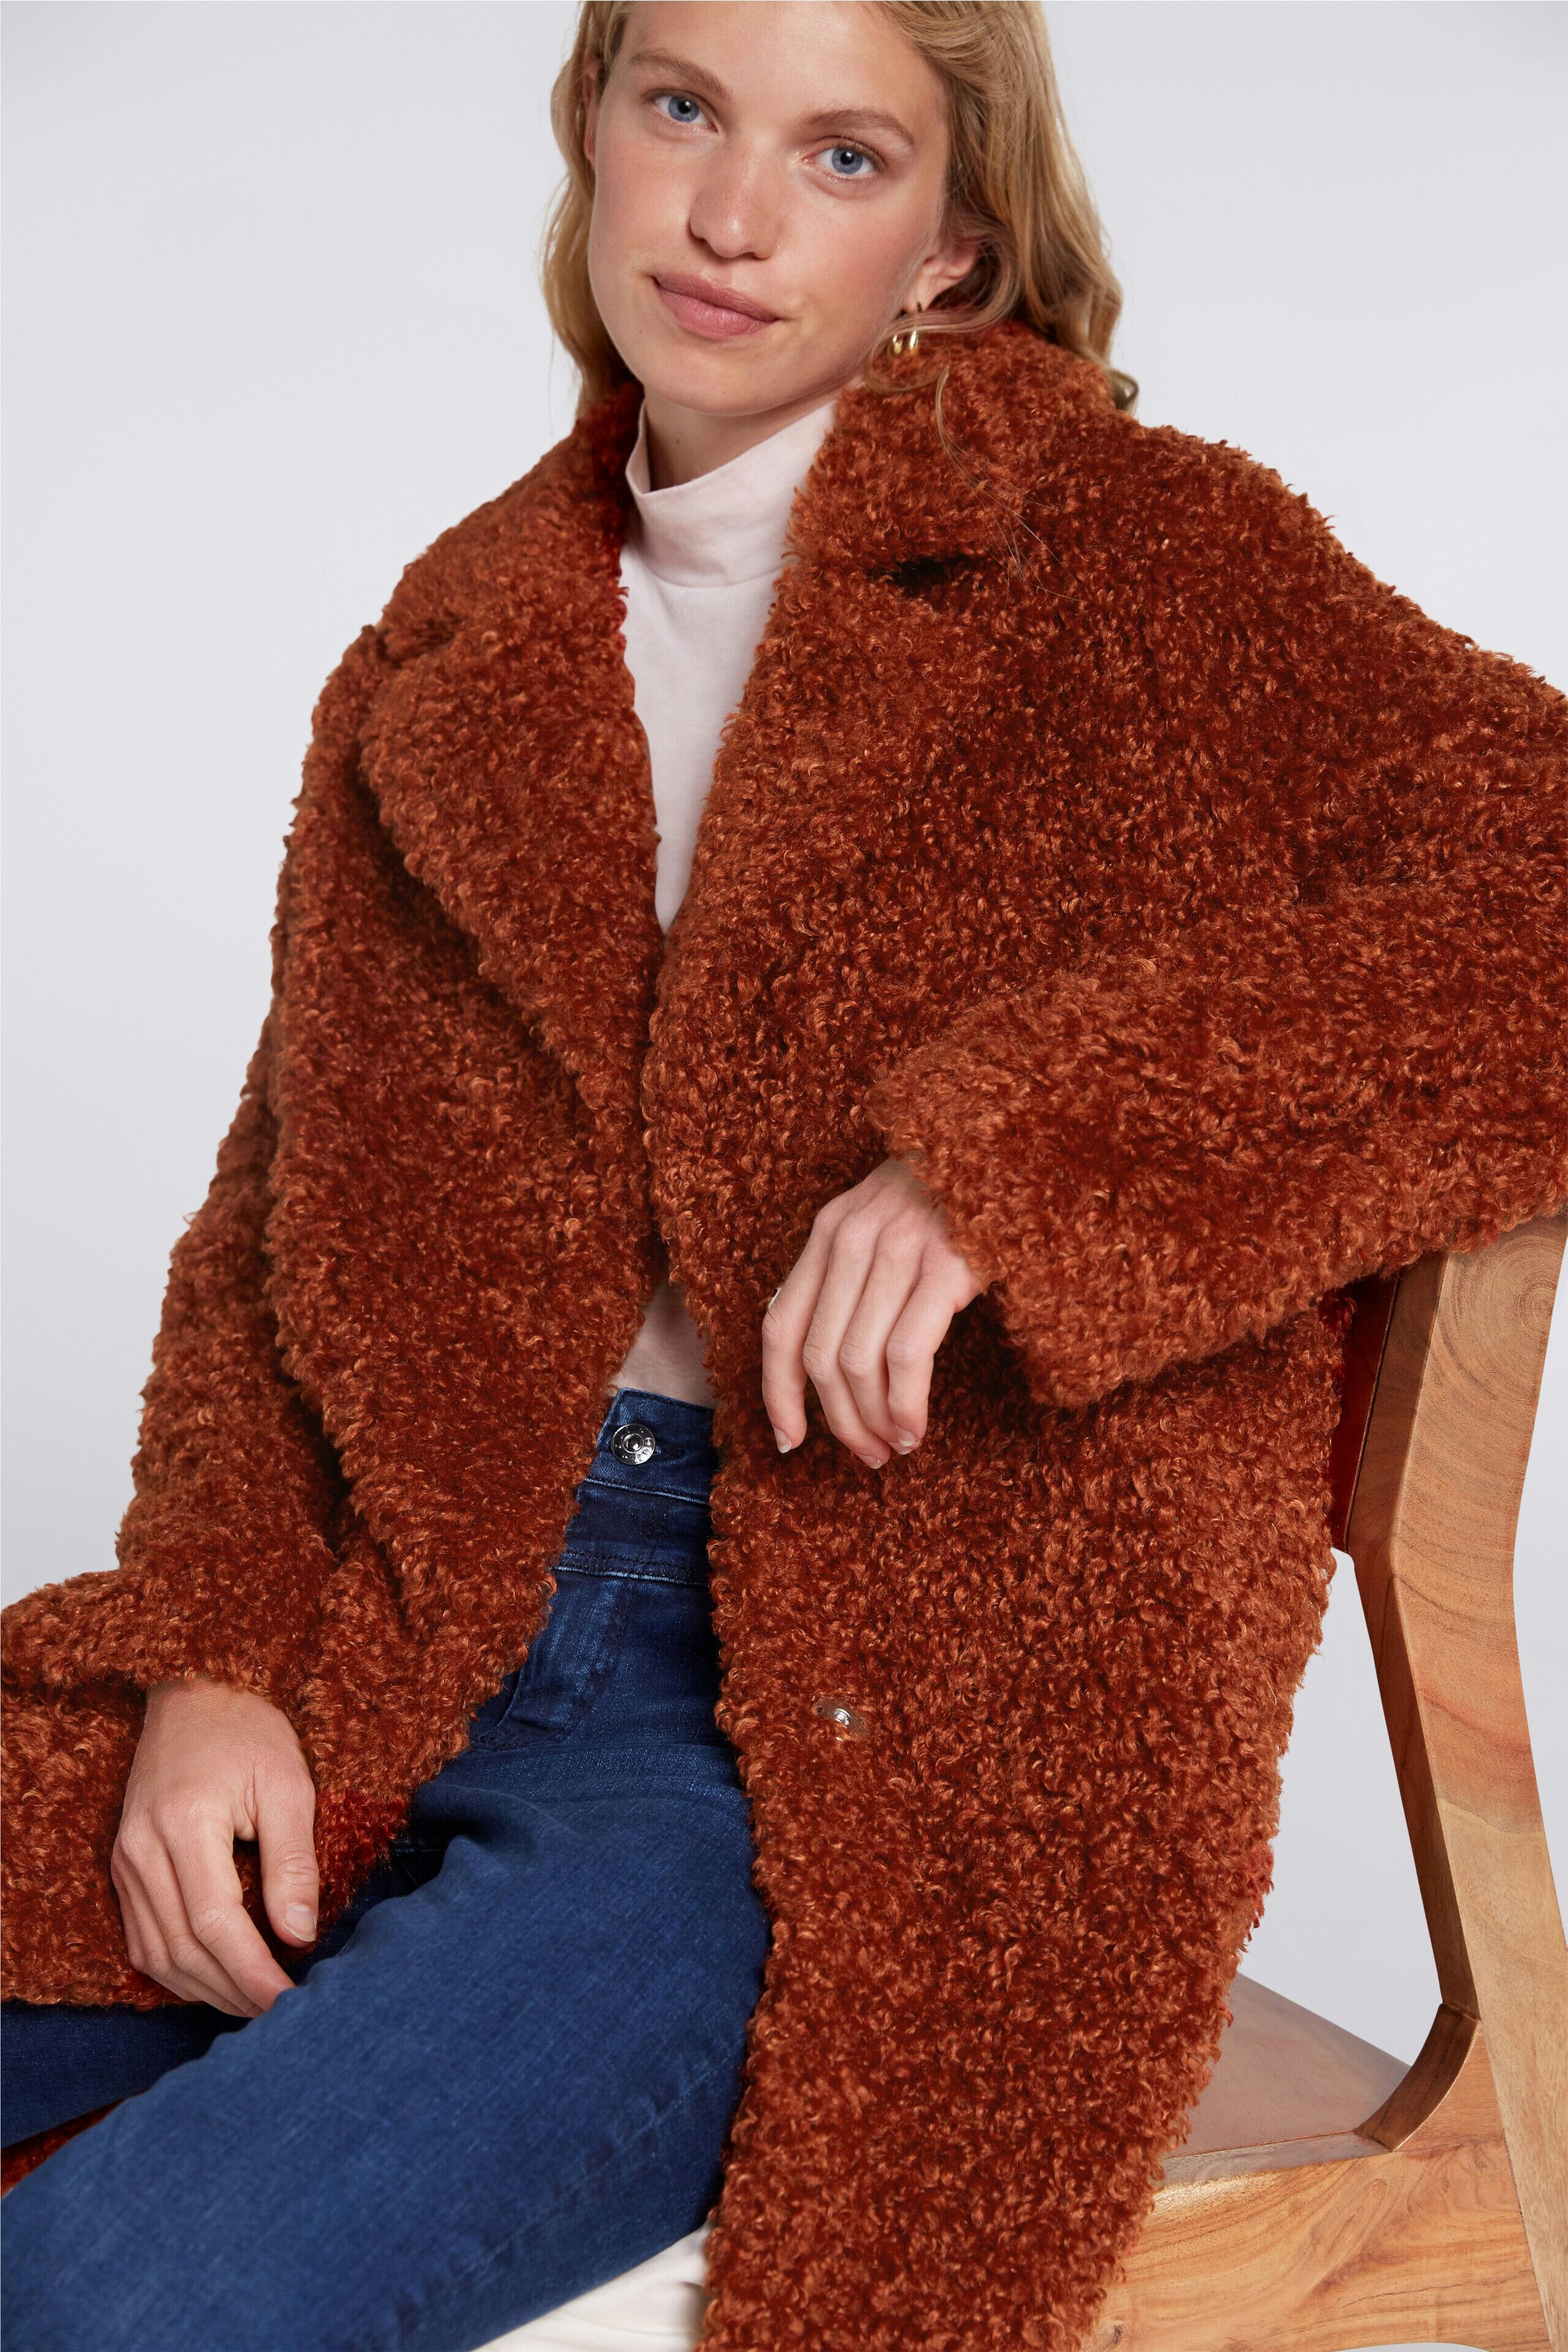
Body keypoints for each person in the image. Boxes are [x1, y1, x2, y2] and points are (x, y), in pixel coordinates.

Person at [2, 4, 1563, 2349]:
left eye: (846, 156)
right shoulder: (460, 635)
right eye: (684, 110)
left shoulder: (1146, 565)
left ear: (955, 245)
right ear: (595, 128)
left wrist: (1016, 1162)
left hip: (825, 1711)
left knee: (118, 2299)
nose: (733, 215)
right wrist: (212, 1654)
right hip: (397, 1619)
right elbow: (275, 1217)